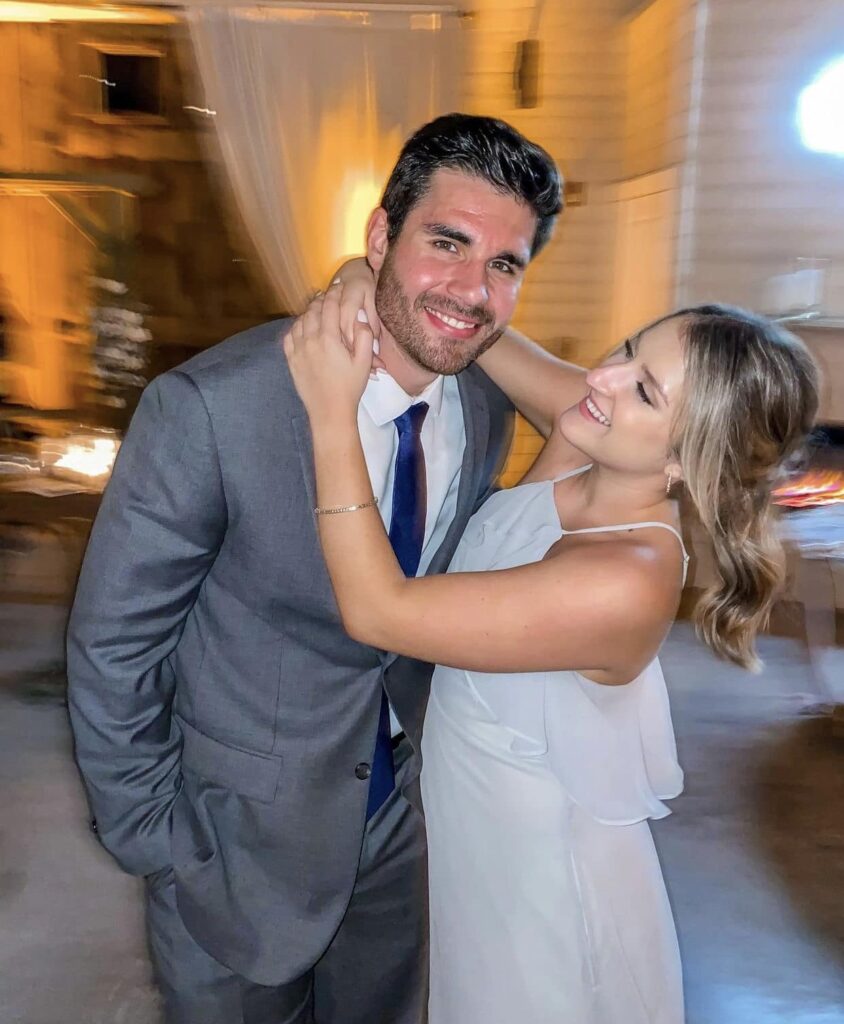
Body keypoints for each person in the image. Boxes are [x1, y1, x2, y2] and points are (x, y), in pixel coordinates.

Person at [65, 114, 562, 1024]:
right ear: (381, 237)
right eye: (446, 242)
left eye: (505, 264)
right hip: (233, 855)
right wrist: (156, 841)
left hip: (404, 841)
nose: (471, 287)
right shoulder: (213, 409)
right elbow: (113, 645)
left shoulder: (488, 408)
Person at [284, 282, 819, 1024]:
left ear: (687, 462)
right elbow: (480, 330)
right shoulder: (598, 434)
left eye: (643, 389)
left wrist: (329, 413)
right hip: (477, 851)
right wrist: (380, 277)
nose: (600, 378)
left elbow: (379, 610)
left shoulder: (623, 580)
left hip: (534, 893)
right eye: (628, 349)